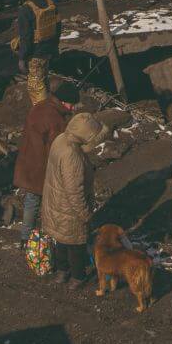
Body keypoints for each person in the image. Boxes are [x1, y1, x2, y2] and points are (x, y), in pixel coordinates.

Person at [41, 111, 109, 287]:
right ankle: (77, 277)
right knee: (76, 245)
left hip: (55, 202)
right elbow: (75, 193)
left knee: (61, 240)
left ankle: (62, 272)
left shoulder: (61, 139)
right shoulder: (73, 156)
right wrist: (86, 215)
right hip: (69, 208)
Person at [12, 82, 81, 241]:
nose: (72, 108)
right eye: (71, 104)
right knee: (45, 203)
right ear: (63, 101)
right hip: (42, 166)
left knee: (32, 200)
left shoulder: (42, 106)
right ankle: (46, 237)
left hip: (29, 161)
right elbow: (58, 146)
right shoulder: (54, 118)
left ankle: (26, 237)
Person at [14, 0, 61, 104]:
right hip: (48, 49)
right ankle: (49, 109)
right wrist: (55, 48)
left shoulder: (26, 9)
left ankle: (44, 117)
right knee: (44, 81)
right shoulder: (50, 2)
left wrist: (22, 58)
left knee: (36, 89)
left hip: (35, 54)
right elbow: (58, 27)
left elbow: (26, 37)